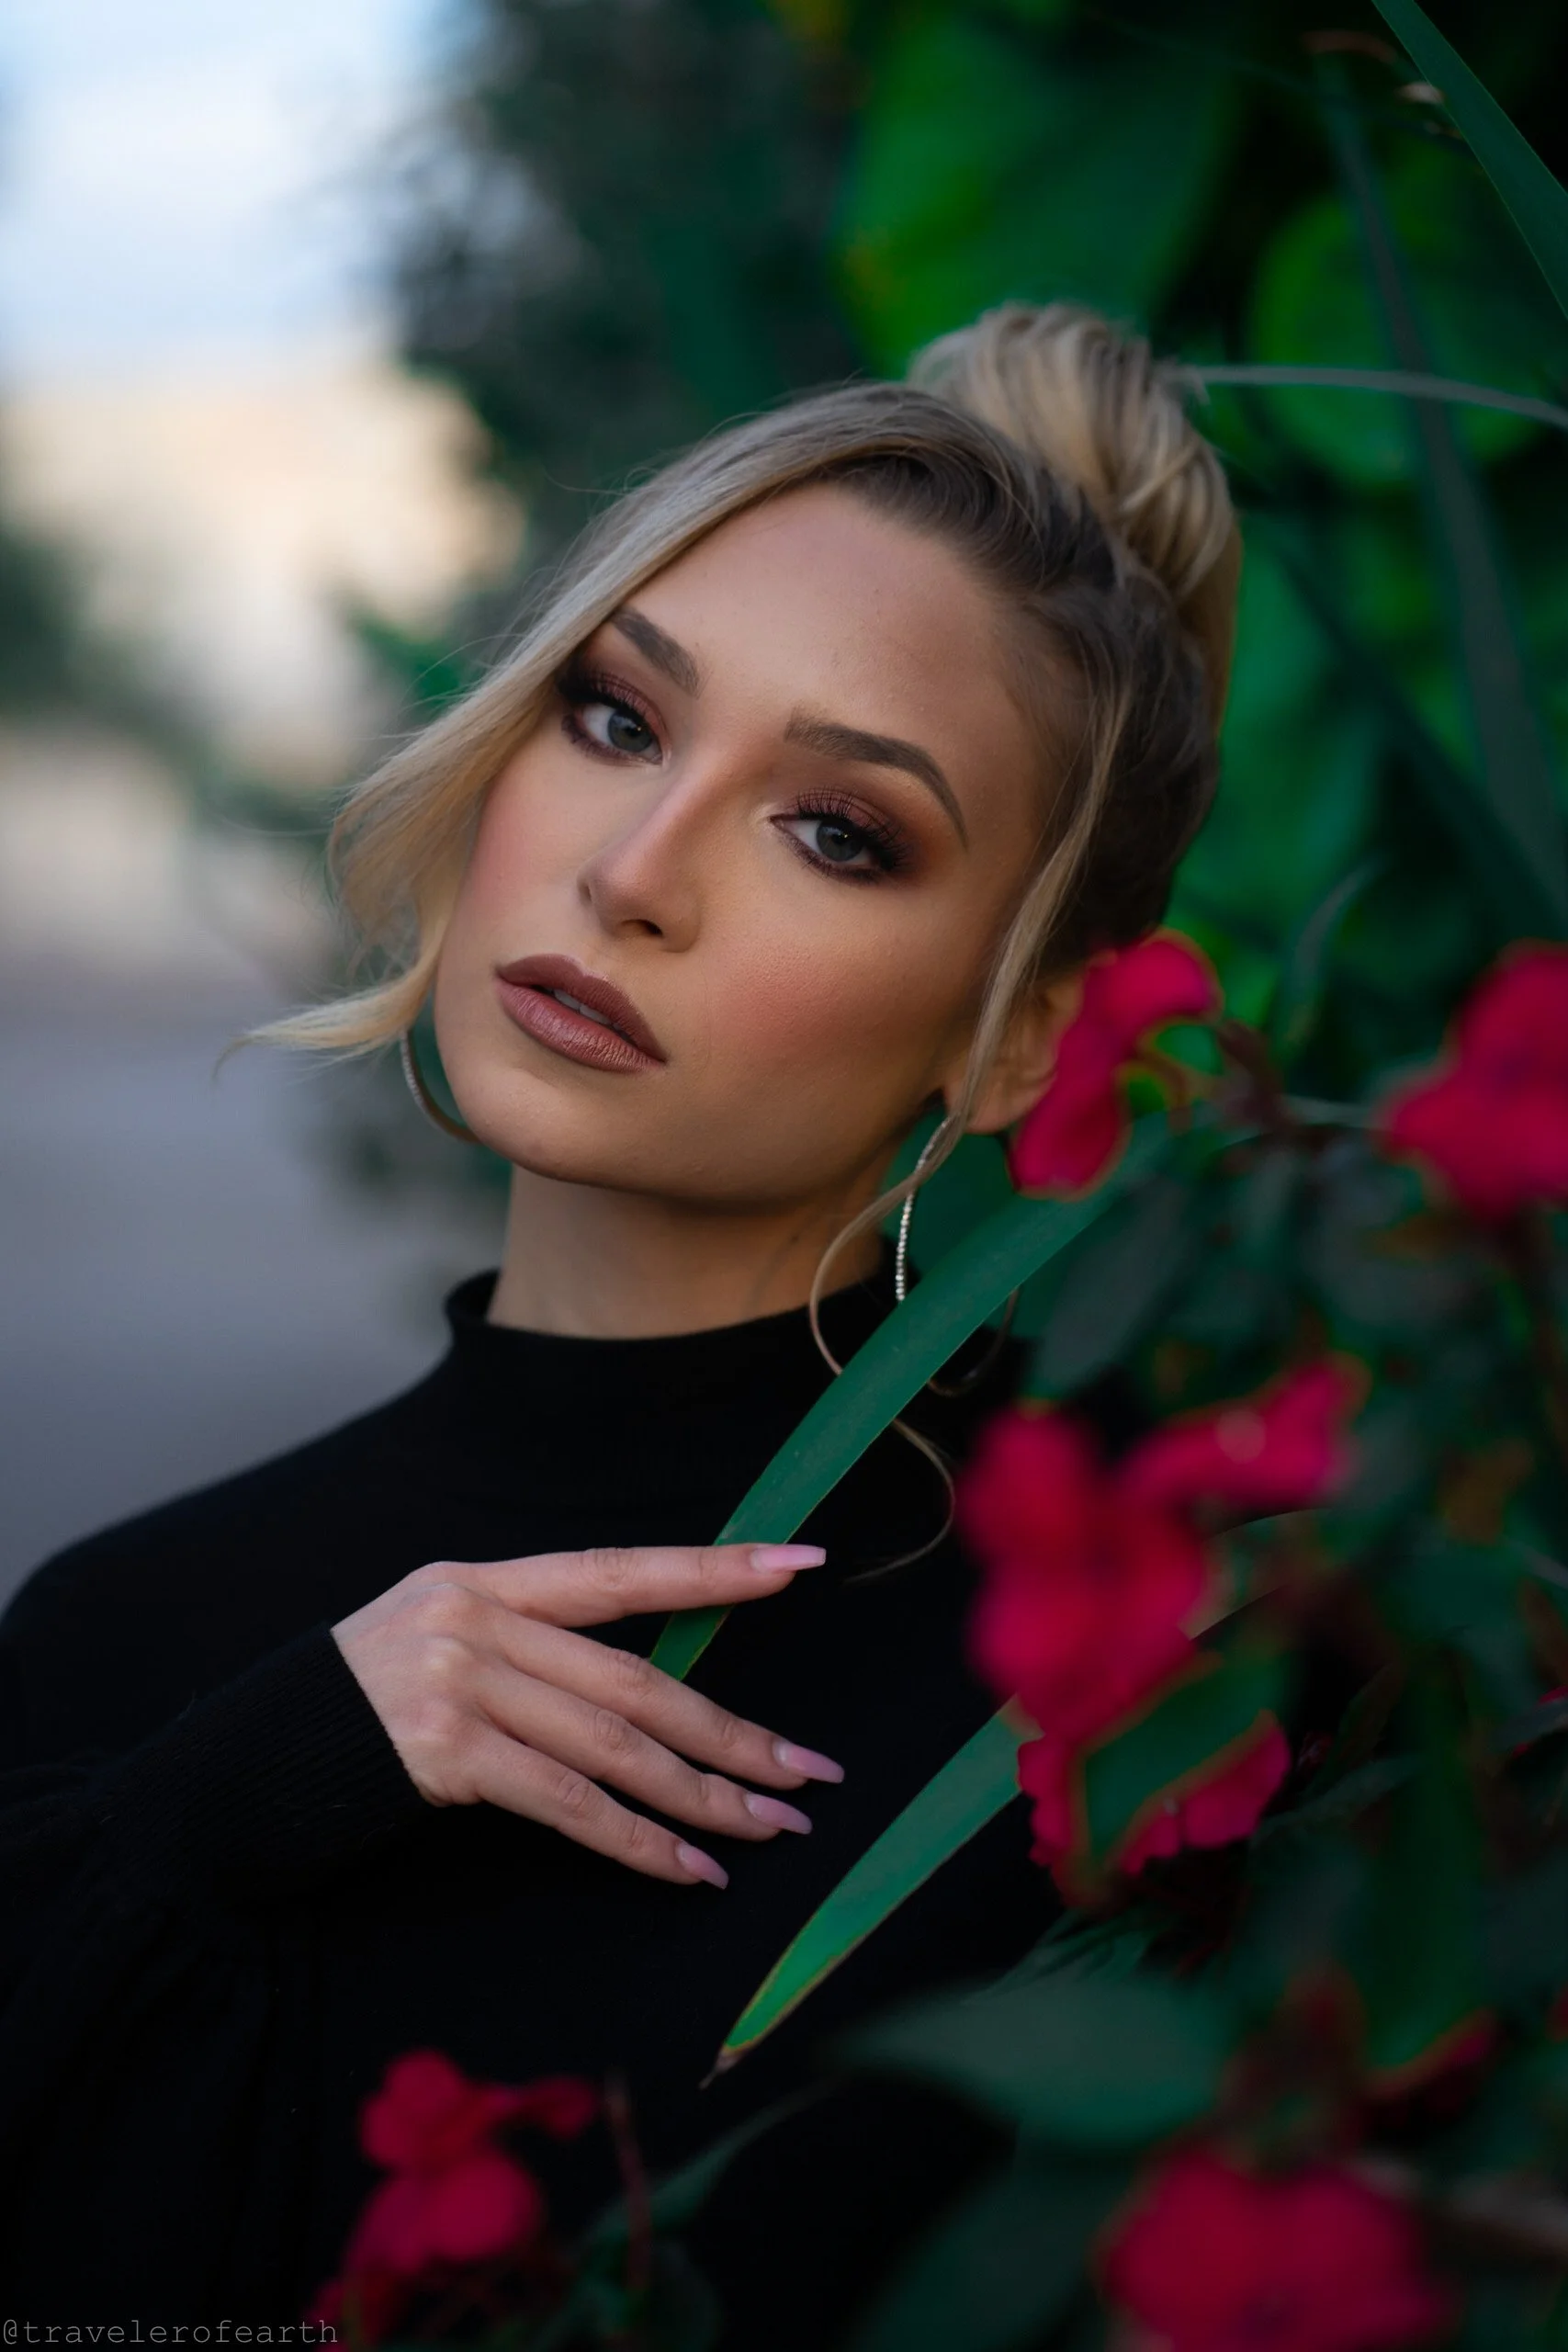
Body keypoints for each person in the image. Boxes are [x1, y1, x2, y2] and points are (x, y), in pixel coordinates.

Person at [0, 302, 1240, 2339]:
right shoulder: (123, 1649)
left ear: (1022, 1031)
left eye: (836, 829)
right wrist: (251, 1795)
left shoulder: (1144, 1667)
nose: (637, 871)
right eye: (615, 716)